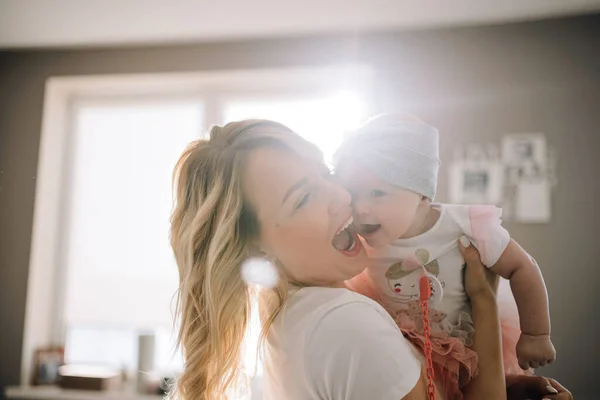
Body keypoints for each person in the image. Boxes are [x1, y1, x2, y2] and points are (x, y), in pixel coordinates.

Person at [168, 119, 571, 400]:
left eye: (326, 172)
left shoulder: (288, 306)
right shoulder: (347, 321)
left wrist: (500, 387)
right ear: (256, 249)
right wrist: (483, 301)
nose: (343, 197)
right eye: (304, 198)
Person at [333, 114, 556, 397]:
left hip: (464, 347)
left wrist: (536, 334)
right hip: (401, 350)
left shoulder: (466, 225)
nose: (361, 208)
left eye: (378, 193)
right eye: (353, 194)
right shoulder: (357, 232)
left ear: (423, 195)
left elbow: (523, 267)